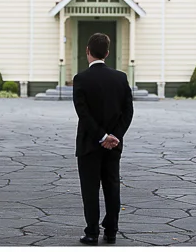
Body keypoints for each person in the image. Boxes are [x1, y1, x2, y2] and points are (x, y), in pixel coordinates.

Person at [73, 33, 135, 245]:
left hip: (89, 144)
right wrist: (114, 135)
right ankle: (111, 232)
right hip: (114, 146)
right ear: (107, 53)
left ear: (87, 51)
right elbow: (128, 111)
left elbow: (83, 113)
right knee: (112, 186)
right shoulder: (121, 78)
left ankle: (91, 233)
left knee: (90, 189)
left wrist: (101, 136)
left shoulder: (81, 79)